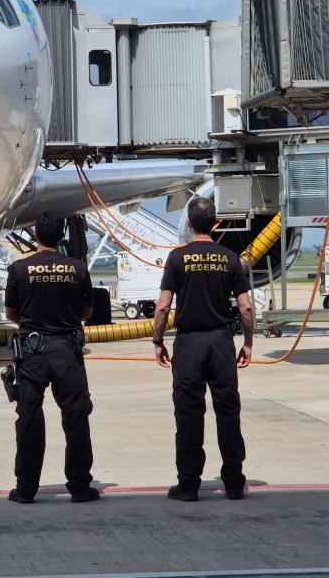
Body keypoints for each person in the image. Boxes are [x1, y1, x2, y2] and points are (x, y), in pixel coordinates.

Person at [153, 196, 254, 502]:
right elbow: (246, 307)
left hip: (189, 344)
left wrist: (158, 341)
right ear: (215, 223)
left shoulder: (176, 258)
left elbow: (163, 307)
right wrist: (248, 343)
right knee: (228, 412)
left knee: (188, 415)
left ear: (188, 223)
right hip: (220, 343)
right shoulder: (230, 258)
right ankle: (233, 482)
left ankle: (188, 485)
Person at [3, 209, 99, 504]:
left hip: (33, 354)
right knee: (76, 417)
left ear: (35, 235)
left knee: (30, 416)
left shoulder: (19, 269)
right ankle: (80, 486)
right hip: (66, 352)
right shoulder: (78, 268)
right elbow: (87, 311)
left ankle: (26, 488)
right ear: (62, 236)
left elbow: (11, 313)